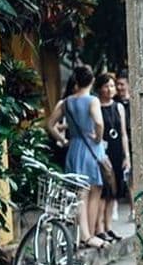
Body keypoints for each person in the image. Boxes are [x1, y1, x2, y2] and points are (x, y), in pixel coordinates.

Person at [46, 64, 108, 249]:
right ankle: (88, 236)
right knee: (93, 192)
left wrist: (63, 141)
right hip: (92, 149)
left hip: (74, 148)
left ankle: (83, 235)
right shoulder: (92, 101)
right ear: (92, 81)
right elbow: (99, 122)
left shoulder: (65, 102)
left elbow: (50, 124)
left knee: (79, 193)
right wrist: (98, 137)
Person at [94, 73, 130, 243]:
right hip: (102, 152)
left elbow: (123, 133)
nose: (110, 89)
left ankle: (108, 227)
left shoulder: (118, 107)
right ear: (99, 88)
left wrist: (126, 156)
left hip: (116, 151)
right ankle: (99, 227)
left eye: (112, 86)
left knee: (114, 193)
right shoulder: (95, 106)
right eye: (106, 86)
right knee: (103, 191)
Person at [114, 70, 133, 219]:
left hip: (134, 144)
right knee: (126, 181)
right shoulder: (114, 103)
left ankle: (135, 209)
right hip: (118, 146)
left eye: (121, 84)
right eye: (117, 84)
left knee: (133, 180)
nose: (119, 87)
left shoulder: (135, 101)